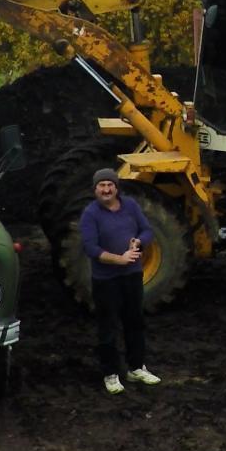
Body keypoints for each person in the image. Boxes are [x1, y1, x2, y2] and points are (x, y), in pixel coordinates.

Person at [78, 168, 160, 394]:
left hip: (132, 276)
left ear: (116, 187)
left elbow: (146, 230)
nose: (106, 189)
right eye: (101, 186)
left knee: (135, 322)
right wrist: (119, 259)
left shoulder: (130, 206)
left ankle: (136, 367)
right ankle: (111, 374)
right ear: (95, 189)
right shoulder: (90, 214)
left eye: (109, 185)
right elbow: (91, 248)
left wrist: (138, 244)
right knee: (108, 327)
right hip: (106, 280)